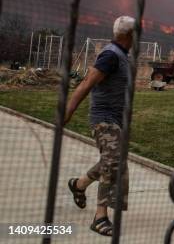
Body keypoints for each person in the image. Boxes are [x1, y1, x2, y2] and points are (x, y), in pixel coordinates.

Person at [64, 16, 135, 237]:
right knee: (112, 163)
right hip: (104, 119)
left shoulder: (122, 55)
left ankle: (79, 184)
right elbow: (87, 83)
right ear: (130, 35)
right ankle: (100, 217)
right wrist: (68, 112)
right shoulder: (110, 56)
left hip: (116, 119)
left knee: (113, 160)